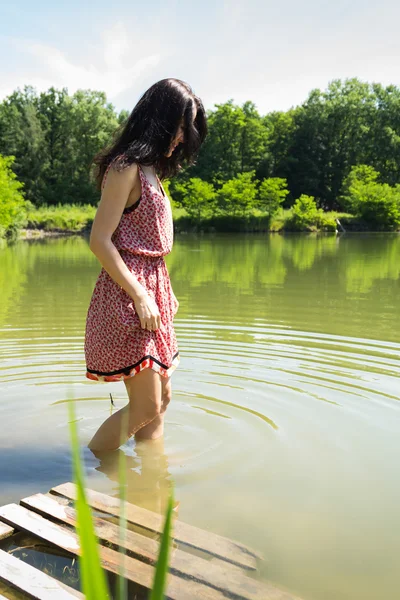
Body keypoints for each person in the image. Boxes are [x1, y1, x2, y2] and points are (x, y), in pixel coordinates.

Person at [84, 78, 207, 452]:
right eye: (183, 126)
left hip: (153, 293)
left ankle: (150, 484)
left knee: (162, 402)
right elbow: (99, 240)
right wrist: (140, 294)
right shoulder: (126, 167)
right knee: (146, 404)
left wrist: (162, 294)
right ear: (162, 120)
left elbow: (151, 246)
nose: (184, 137)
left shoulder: (154, 170)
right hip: (128, 296)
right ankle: (87, 467)